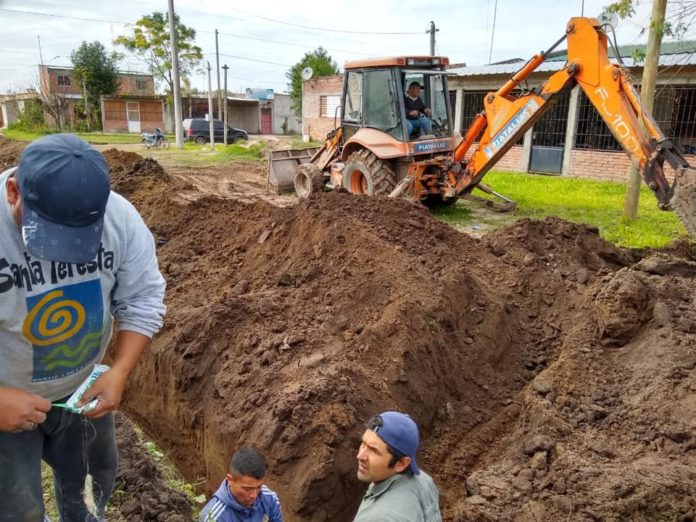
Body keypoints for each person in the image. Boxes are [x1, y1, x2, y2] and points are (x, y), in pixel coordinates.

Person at [0, 133, 166, 520]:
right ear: (13, 192)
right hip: (7, 399)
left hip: (81, 396)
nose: (62, 253)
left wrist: (120, 371)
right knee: (15, 510)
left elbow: (143, 299)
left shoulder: (118, 218)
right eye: (51, 234)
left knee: (92, 490)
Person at [353, 411, 441, 522]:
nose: (360, 456)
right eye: (363, 443)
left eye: (374, 450)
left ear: (401, 463)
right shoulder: (424, 481)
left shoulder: (380, 517)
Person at [199, 447, 283, 522]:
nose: (254, 495)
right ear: (230, 480)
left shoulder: (270, 498)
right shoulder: (212, 518)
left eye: (258, 487)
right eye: (247, 489)